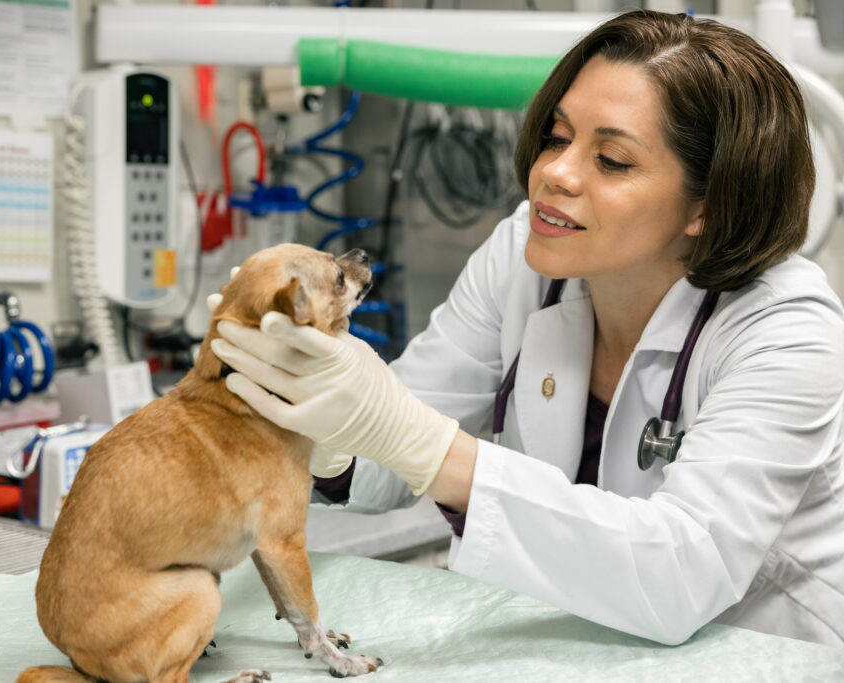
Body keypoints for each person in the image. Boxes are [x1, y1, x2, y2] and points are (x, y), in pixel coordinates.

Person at [208, 10, 844, 647]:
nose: (556, 173)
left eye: (613, 159)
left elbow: (679, 572)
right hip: (566, 643)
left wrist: (425, 444)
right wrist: (320, 416)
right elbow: (391, 457)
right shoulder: (525, 253)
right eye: (557, 137)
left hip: (758, 652)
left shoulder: (788, 333)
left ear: (708, 204)